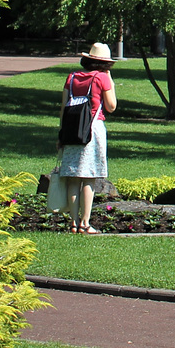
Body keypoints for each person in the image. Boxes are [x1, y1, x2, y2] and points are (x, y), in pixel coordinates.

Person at [58, 42, 117, 234]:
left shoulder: (72, 77)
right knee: (89, 177)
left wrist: (61, 134)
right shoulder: (102, 78)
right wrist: (111, 83)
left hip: (71, 130)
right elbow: (111, 106)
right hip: (93, 129)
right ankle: (85, 223)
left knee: (74, 178)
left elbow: (63, 108)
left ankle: (74, 223)